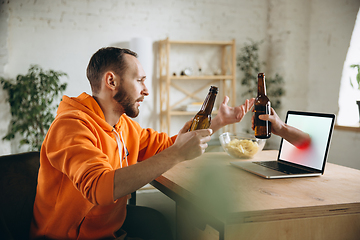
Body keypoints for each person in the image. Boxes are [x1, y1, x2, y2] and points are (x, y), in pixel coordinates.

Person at [30, 47, 255, 240]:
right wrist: (177, 153)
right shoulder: (71, 126)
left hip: (110, 231)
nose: (146, 90)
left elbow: (166, 147)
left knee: (161, 223)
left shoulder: (123, 125)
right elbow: (99, 188)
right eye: (139, 81)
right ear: (111, 81)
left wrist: (217, 122)